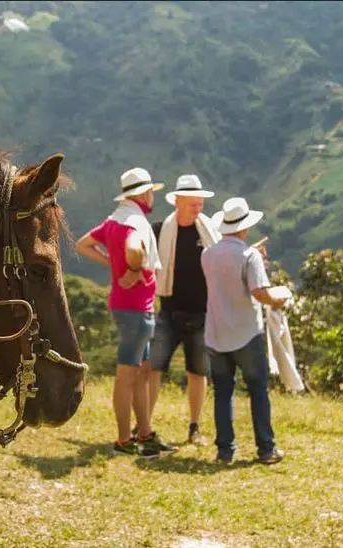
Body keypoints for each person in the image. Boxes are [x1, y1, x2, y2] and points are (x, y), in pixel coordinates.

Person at [75, 167, 178, 459]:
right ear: (142, 194)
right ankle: (123, 440)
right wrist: (132, 267)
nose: (151, 197)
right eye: (150, 192)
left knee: (142, 372)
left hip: (129, 306)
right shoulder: (135, 222)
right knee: (127, 374)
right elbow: (134, 248)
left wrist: (111, 263)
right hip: (135, 310)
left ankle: (144, 432)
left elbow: (83, 244)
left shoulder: (114, 220)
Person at [201, 197, 286, 465]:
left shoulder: (207, 255)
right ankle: (266, 448)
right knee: (258, 390)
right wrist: (278, 299)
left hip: (216, 332)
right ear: (245, 228)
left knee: (223, 392)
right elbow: (258, 292)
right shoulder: (249, 256)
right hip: (247, 332)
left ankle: (225, 450)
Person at [147, 174, 220, 447]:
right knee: (153, 368)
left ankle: (194, 427)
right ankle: (144, 425)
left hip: (202, 314)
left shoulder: (209, 232)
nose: (199, 207)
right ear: (178, 201)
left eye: (201, 202)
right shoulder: (159, 231)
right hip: (168, 312)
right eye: (194, 202)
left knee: (198, 372)